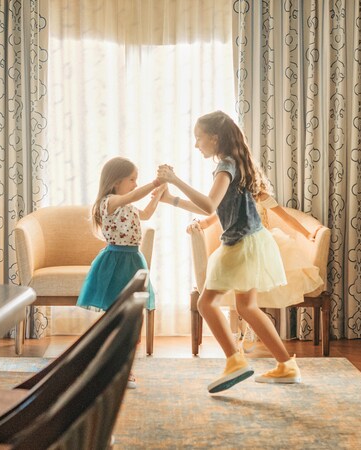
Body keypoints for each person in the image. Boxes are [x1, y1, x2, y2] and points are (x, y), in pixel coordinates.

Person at [157, 110, 301, 393]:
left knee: (205, 303)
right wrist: (172, 200)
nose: (196, 144)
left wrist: (175, 181)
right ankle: (287, 365)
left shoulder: (226, 165)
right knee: (247, 307)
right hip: (251, 241)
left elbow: (209, 205)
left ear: (214, 138)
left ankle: (236, 362)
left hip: (241, 244)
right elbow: (213, 207)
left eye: (199, 138)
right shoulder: (234, 163)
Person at [187, 169, 324, 352]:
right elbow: (211, 219)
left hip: (261, 245)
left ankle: (251, 331)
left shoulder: (261, 197)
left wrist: (308, 233)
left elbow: (287, 218)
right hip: (239, 246)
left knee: (254, 285)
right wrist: (197, 224)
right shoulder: (231, 199)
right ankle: (238, 333)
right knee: (236, 282)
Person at [77, 156, 165, 388]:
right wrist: (155, 182)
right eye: (132, 179)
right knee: (117, 319)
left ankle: (123, 368)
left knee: (132, 319)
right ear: (116, 182)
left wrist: (156, 196)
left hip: (133, 261)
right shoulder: (110, 201)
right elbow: (135, 195)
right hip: (116, 262)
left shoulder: (124, 204)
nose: (136, 184)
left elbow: (144, 214)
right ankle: (113, 368)